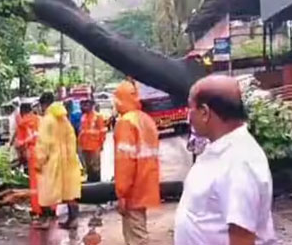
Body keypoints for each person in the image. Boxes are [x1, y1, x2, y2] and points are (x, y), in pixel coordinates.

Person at [174, 75, 276, 245]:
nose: (188, 116)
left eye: (190, 108)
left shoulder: (239, 162)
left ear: (205, 112)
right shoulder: (220, 150)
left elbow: (242, 237)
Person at [113, 80, 160, 245]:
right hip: (146, 183)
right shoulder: (145, 119)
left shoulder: (126, 122)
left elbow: (125, 162)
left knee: (136, 237)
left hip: (133, 188)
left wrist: (122, 193)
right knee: (139, 229)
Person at [35, 92, 81, 229]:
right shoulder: (63, 118)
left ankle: (46, 220)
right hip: (67, 160)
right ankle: (73, 220)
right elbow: (72, 137)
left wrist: (39, 161)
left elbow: (44, 143)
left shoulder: (47, 119)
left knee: (46, 190)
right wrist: (71, 155)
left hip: (52, 160)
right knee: (69, 190)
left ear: (43, 104)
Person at [15, 101, 42, 224]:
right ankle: (51, 208)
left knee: (35, 184)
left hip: (32, 154)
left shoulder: (22, 123)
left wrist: (20, 157)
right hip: (45, 153)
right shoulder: (40, 120)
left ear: (21, 112)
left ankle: (37, 210)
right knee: (46, 181)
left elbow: (20, 144)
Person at [78, 99, 106, 182]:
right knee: (88, 167)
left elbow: (102, 132)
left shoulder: (98, 116)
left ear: (91, 105)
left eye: (87, 104)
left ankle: (97, 184)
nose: (84, 106)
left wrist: (101, 145)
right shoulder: (83, 117)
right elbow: (81, 131)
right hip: (85, 147)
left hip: (94, 146)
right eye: (83, 104)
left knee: (95, 168)